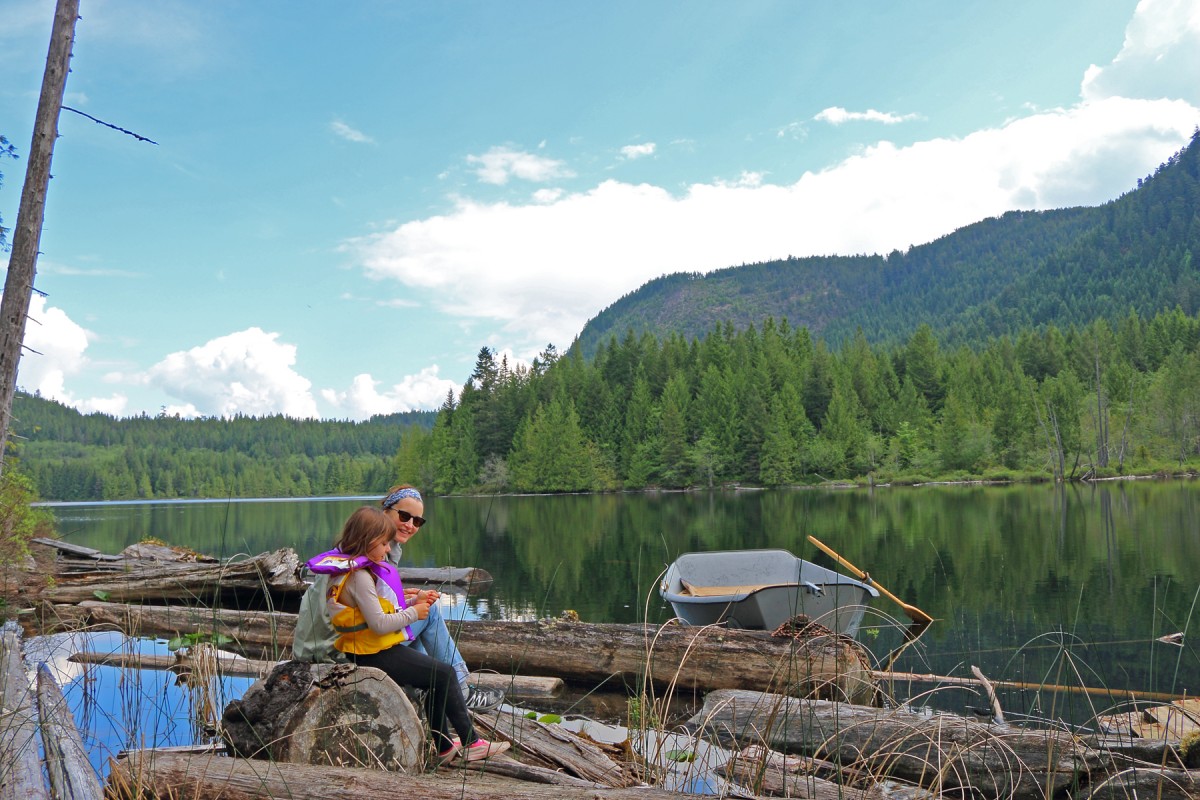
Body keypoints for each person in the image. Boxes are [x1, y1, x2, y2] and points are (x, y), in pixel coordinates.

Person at [308, 506, 509, 764]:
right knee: (445, 674)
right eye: (383, 543)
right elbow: (380, 624)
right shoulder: (359, 577)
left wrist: (414, 600)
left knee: (435, 678)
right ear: (367, 541)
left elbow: (378, 611)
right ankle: (471, 743)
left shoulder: (350, 571)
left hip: (366, 650)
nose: (388, 549)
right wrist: (415, 613)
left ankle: (445, 746)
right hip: (374, 655)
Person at [293, 485, 503, 712]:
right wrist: (410, 608)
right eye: (404, 516)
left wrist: (403, 599)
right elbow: (369, 615)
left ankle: (430, 690)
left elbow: (357, 601)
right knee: (429, 611)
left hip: (334, 644)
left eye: (418, 521)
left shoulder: (358, 546)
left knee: (420, 615)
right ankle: (459, 689)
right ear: (385, 512)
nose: (410, 525)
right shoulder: (372, 552)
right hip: (338, 652)